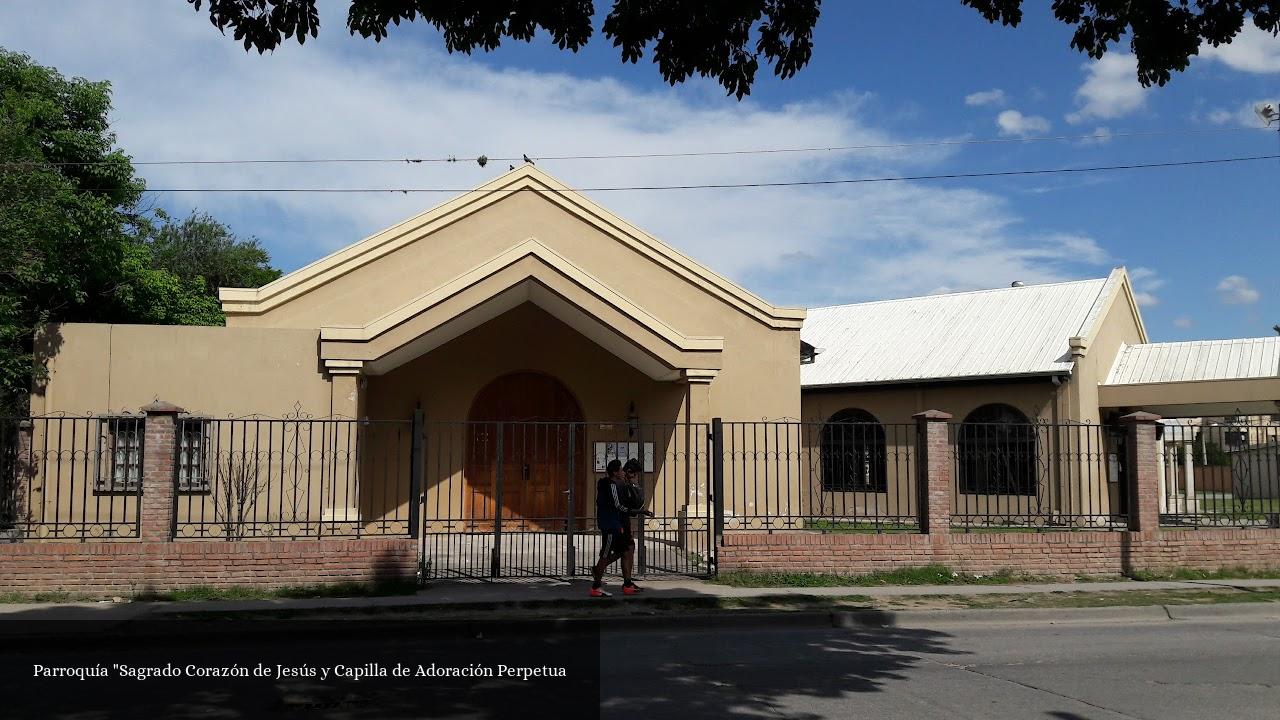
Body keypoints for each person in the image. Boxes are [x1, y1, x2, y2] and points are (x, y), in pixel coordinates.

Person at [590, 459, 633, 597]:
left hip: (612, 525)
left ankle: (600, 571)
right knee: (605, 555)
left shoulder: (605, 484)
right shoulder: (611, 485)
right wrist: (637, 512)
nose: (623, 472)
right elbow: (618, 505)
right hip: (610, 525)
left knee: (624, 550)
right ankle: (596, 586)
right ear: (615, 472)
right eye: (620, 470)